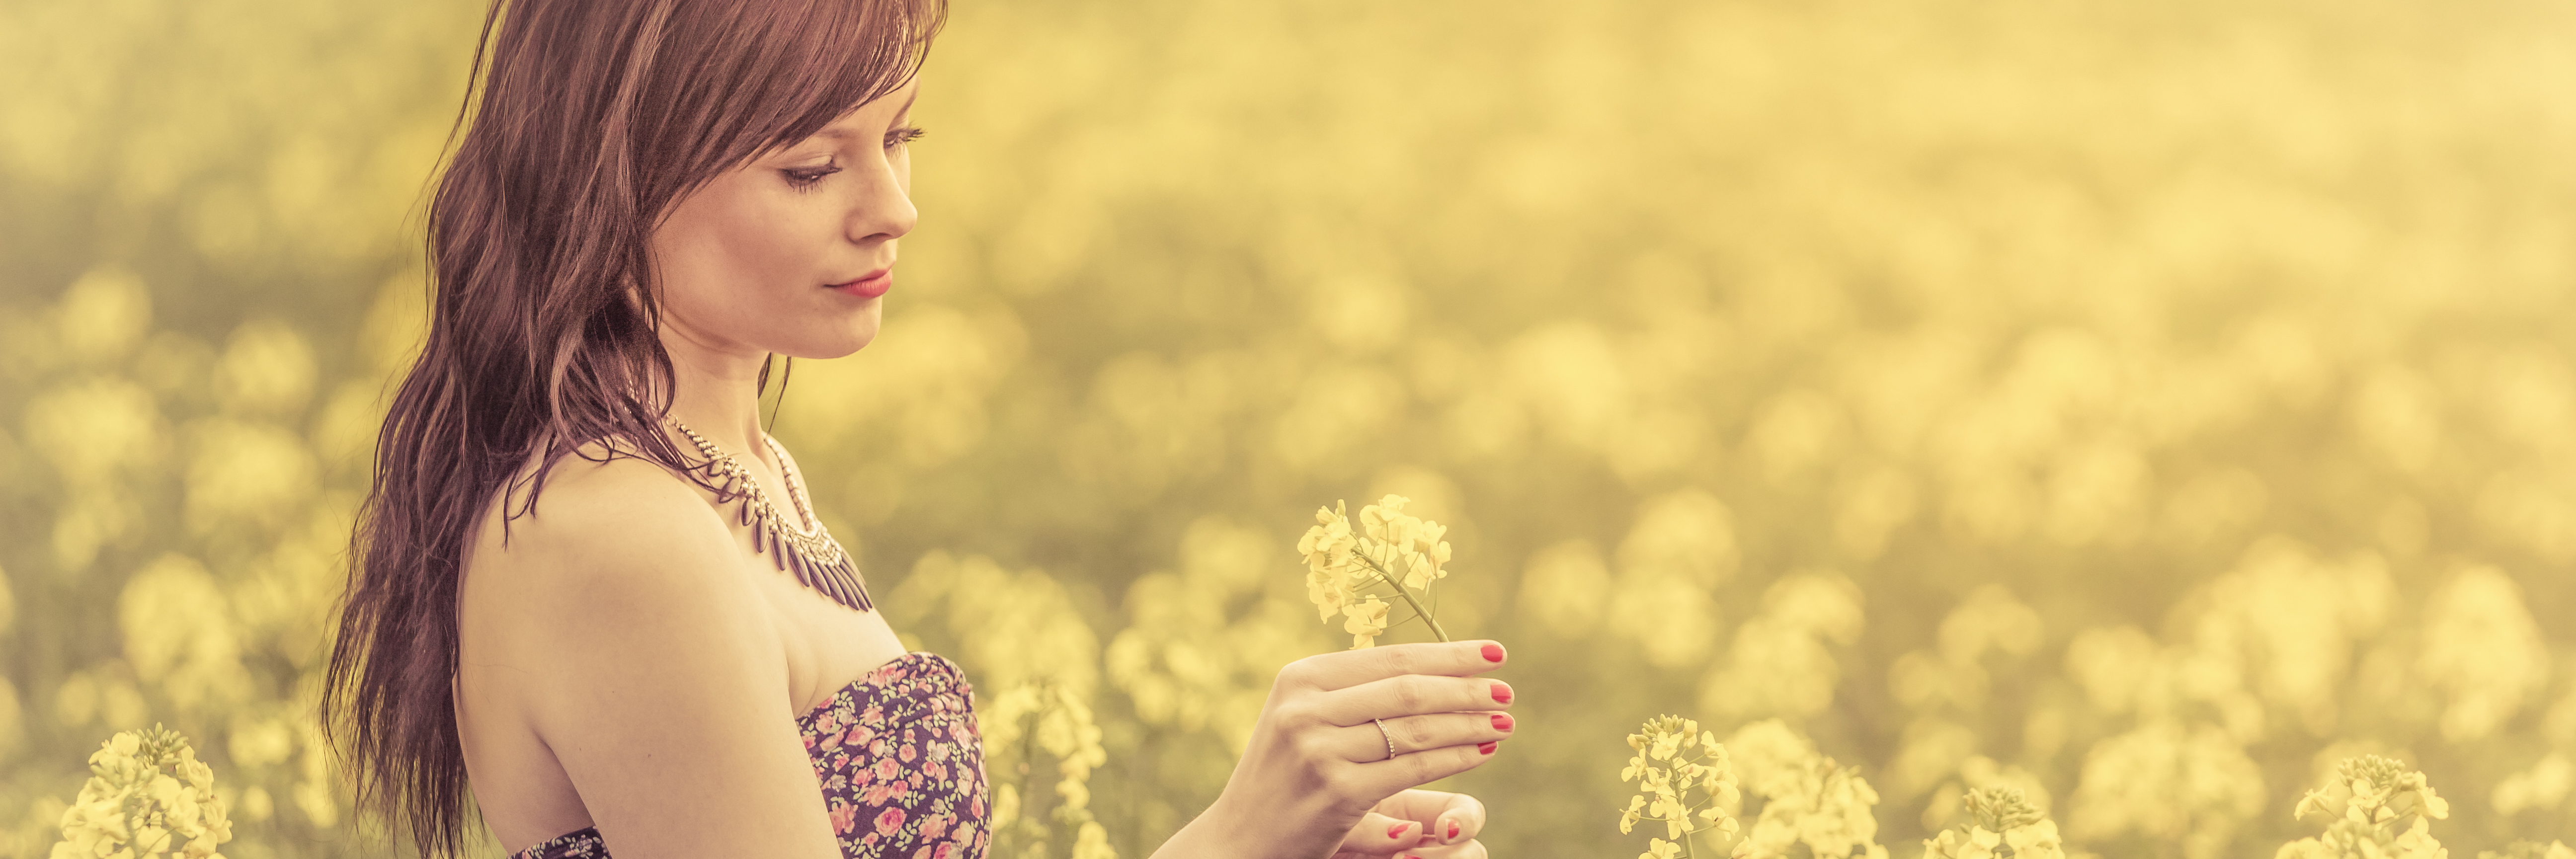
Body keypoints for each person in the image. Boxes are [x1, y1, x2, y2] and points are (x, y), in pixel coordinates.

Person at [317, 0, 1516, 858]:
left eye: (897, 140)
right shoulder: (619, 539)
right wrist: (1239, 836)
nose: (895, 210)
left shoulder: (735, 474)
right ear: (615, 183)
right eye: (810, 166)